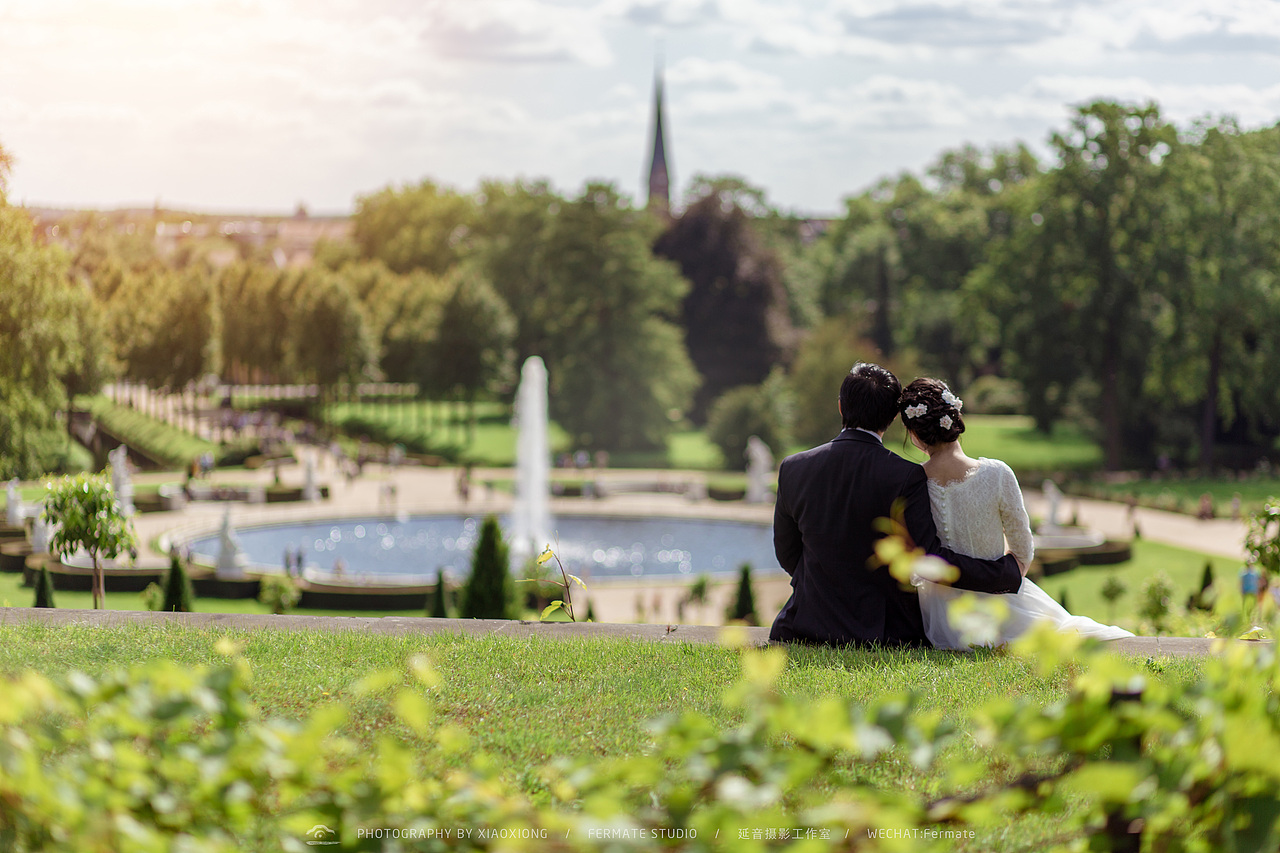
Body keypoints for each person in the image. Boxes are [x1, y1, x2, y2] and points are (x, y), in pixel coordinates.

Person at [769, 363, 1025, 647]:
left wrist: (826, 590)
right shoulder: (905, 476)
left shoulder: (793, 467)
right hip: (883, 630)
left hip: (806, 623)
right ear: (892, 417)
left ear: (841, 407)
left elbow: (787, 552)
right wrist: (1005, 573)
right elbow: (928, 558)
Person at [897, 378, 1132, 649]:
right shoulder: (997, 475)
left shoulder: (910, 483)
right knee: (1073, 633)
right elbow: (1023, 553)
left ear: (914, 433)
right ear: (955, 415)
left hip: (940, 619)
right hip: (999, 604)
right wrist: (1001, 581)